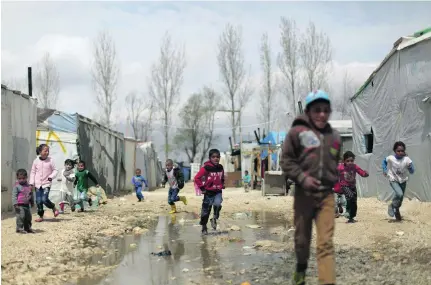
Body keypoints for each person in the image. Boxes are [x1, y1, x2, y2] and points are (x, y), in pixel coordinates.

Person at [281, 90, 341, 285]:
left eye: (326, 110)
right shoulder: (296, 133)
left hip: (326, 197)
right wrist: (302, 178)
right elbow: (287, 160)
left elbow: (335, 162)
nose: (322, 114)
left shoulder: (334, 136)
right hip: (304, 195)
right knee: (301, 241)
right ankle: (301, 267)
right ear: (308, 112)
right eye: (317, 110)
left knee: (325, 244)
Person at [194, 149, 225, 235]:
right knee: (205, 212)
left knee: (218, 204)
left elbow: (222, 177)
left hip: (218, 191)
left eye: (217, 157)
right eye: (213, 157)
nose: (216, 159)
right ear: (210, 158)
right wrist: (202, 188)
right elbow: (197, 178)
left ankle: (214, 219)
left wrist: (222, 184)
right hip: (208, 193)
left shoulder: (220, 167)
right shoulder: (206, 168)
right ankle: (204, 227)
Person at [382, 141, 414, 221]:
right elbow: (384, 161)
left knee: (400, 199)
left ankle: (396, 211)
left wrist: (410, 167)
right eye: (398, 151)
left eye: (402, 151)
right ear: (394, 151)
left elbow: (412, 171)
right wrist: (385, 170)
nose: (400, 152)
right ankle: (392, 206)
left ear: (404, 151)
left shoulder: (407, 159)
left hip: (403, 180)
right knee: (399, 194)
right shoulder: (391, 158)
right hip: (393, 179)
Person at [30, 144, 59, 222]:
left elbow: (55, 170)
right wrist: (31, 183)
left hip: (46, 184)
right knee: (38, 201)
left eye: (48, 151)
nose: (47, 152)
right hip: (37, 185)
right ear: (40, 151)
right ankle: (41, 216)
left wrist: (51, 177)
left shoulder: (51, 160)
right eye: (45, 151)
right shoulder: (36, 161)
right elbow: (33, 172)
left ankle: (53, 207)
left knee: (44, 199)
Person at [337, 151, 369, 223]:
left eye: (351, 161)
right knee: (350, 197)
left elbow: (361, 172)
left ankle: (351, 217)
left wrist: (365, 174)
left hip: (352, 186)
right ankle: (347, 210)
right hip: (344, 185)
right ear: (344, 161)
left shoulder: (355, 167)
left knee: (354, 201)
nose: (350, 162)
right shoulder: (340, 167)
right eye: (347, 161)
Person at [12, 169, 35, 234]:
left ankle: (27, 228)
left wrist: (32, 202)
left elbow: (31, 194)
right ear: (17, 178)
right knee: (21, 216)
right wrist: (15, 204)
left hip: (27, 205)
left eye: (23, 178)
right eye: (19, 178)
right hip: (19, 205)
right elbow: (14, 195)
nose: (21, 180)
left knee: (28, 217)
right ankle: (19, 228)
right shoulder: (16, 186)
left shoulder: (28, 186)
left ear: (26, 178)